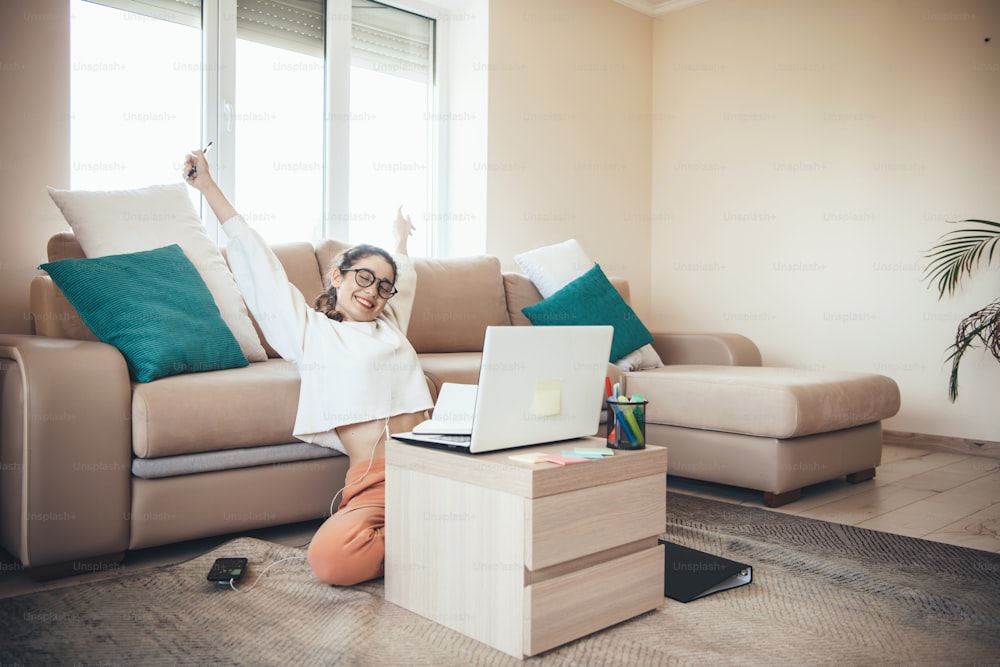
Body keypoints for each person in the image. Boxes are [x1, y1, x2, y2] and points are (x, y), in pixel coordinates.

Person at [182, 148, 433, 586]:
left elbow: (404, 277)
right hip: (377, 484)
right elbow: (260, 267)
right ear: (338, 276)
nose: (374, 292)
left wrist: (401, 238)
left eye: (383, 286)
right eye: (364, 278)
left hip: (438, 463)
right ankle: (438, 538)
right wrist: (207, 186)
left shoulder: (391, 322)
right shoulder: (311, 333)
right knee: (332, 559)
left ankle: (432, 535)